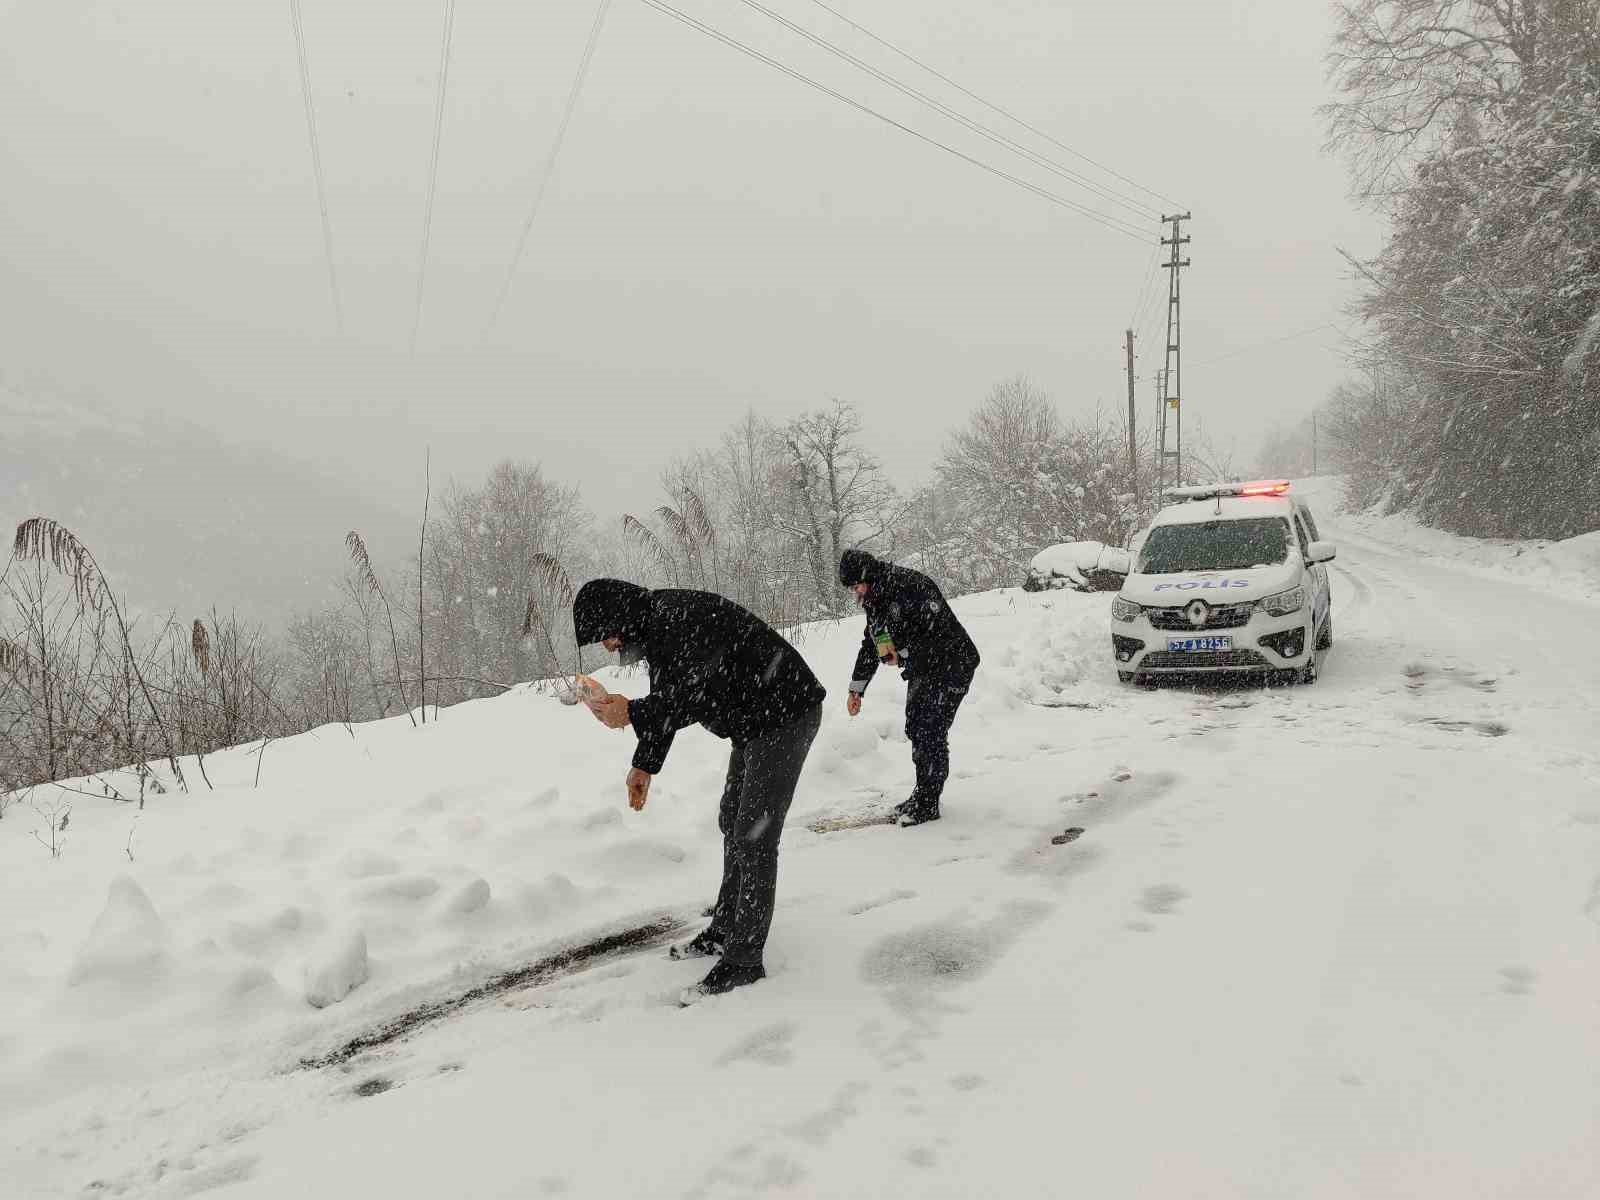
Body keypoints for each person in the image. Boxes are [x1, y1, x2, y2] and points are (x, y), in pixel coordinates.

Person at [572, 578, 825, 1004]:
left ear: (622, 617)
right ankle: (726, 928)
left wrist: (630, 712)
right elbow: (670, 699)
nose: (610, 646)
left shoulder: (680, 618)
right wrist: (644, 765)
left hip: (785, 715)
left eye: (608, 635)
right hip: (756, 721)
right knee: (733, 820)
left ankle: (745, 959)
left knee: (754, 836)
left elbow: (694, 695)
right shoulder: (659, 625)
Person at [838, 549, 979, 827]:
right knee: (917, 726)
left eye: (856, 586)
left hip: (954, 662)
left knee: (930, 729)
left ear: (867, 576)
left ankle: (928, 803)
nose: (856, 593)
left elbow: (937, 636)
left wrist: (902, 654)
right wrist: (857, 688)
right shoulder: (874, 600)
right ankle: (922, 793)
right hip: (924, 668)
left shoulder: (911, 586)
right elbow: (872, 644)